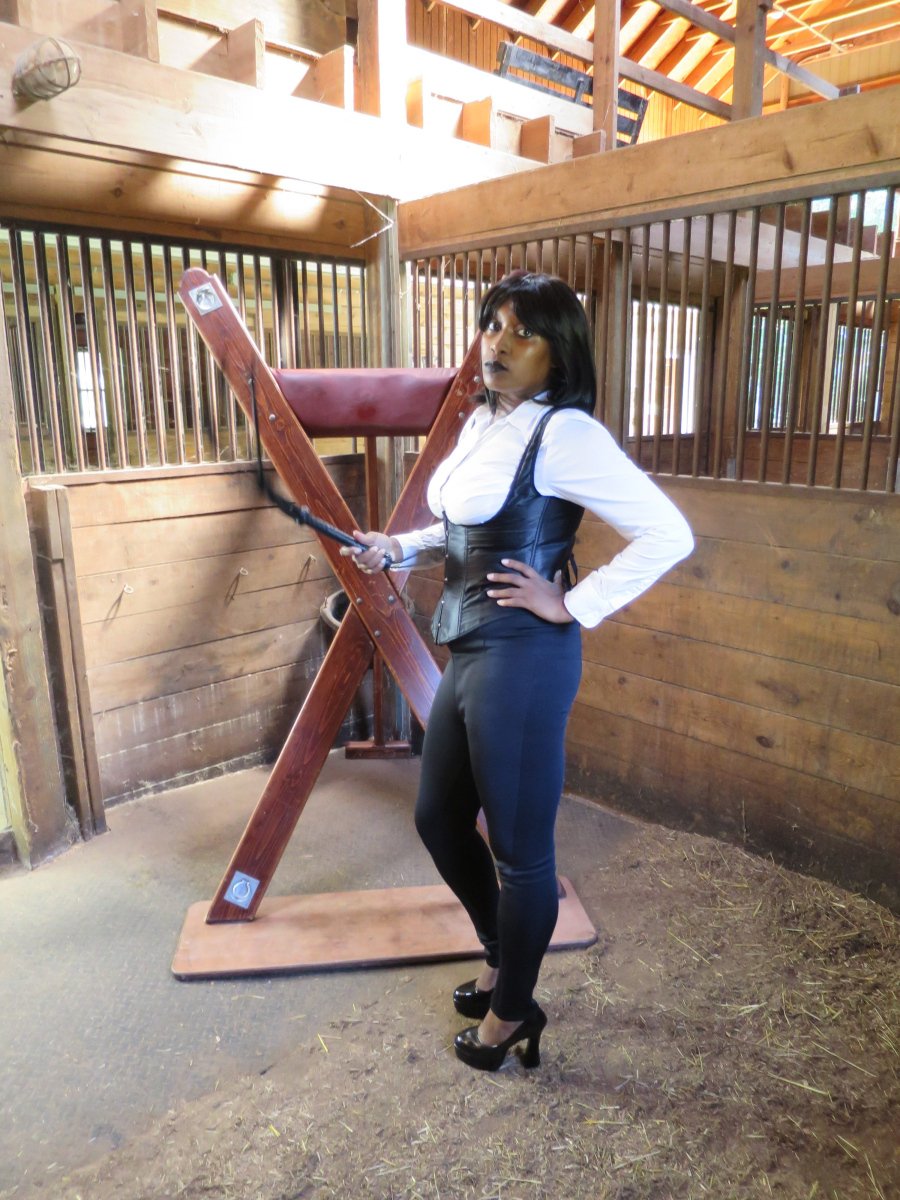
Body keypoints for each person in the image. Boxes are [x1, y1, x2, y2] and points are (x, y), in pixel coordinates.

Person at [342, 271, 694, 1072]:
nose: (496, 343)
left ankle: (511, 1016)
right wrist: (398, 547)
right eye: (491, 325)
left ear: (557, 352)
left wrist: (573, 603)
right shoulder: (483, 420)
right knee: (438, 818)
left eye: (521, 331)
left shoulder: (567, 434)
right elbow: (464, 524)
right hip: (470, 647)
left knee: (520, 852)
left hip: (527, 660)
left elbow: (668, 534)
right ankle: (503, 957)